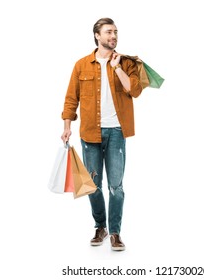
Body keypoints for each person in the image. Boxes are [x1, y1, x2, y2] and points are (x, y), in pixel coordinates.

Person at [60, 18, 143, 251]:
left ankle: (115, 232)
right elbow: (70, 98)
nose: (113, 36)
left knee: (116, 186)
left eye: (115, 32)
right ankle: (100, 227)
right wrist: (67, 127)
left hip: (117, 131)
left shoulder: (126, 63)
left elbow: (133, 90)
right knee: (93, 185)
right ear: (97, 35)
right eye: (108, 32)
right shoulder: (81, 65)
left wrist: (116, 67)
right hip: (89, 133)